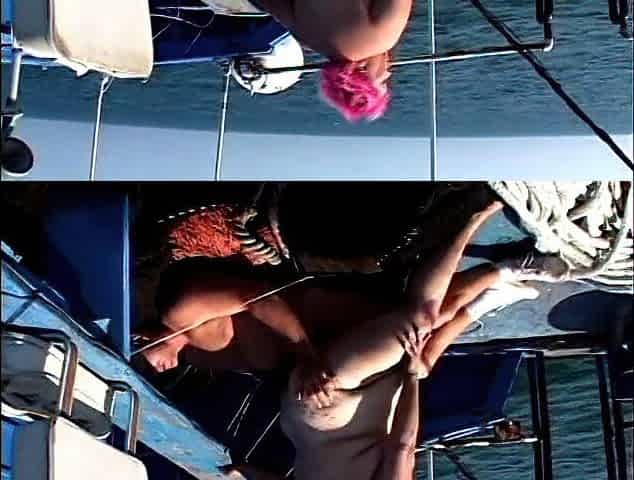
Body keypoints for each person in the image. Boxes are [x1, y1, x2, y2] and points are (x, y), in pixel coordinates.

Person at [218, 201, 539, 479]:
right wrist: (242, 472)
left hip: (331, 398)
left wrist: (411, 378)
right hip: (310, 415)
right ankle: (496, 286)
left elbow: (403, 447)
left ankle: (478, 220)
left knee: (419, 321)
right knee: (423, 355)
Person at [250, 0, 413, 121]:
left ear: (364, 73)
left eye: (383, 82)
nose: (388, 73)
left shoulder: (382, 38)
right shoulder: (307, 39)